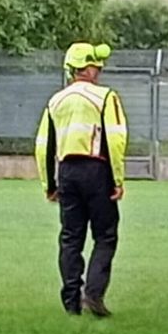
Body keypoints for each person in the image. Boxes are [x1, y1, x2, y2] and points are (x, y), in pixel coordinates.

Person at [35, 42, 128, 317]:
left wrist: (49, 185)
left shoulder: (55, 101)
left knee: (70, 238)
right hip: (97, 169)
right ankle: (94, 294)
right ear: (86, 68)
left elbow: (43, 145)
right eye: (96, 67)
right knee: (106, 235)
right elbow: (116, 139)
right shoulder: (105, 97)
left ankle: (71, 301)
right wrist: (117, 179)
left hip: (67, 172)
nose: (98, 72)